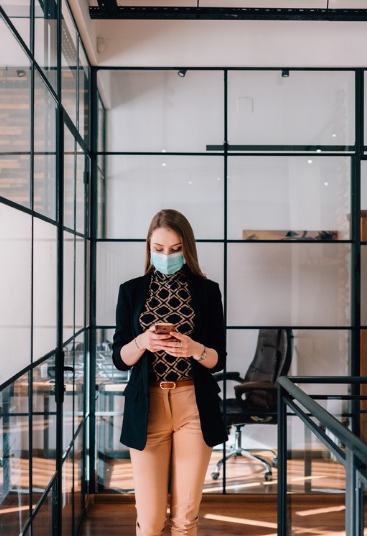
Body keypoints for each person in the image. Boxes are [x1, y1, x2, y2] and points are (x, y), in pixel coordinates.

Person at [112, 209, 226, 536]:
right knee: (149, 521)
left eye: (175, 249)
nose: (166, 256)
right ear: (148, 248)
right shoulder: (131, 291)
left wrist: (194, 349)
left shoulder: (206, 291)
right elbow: (121, 359)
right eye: (159, 249)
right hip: (147, 407)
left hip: (193, 403)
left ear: (187, 249)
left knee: (185, 517)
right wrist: (142, 341)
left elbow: (217, 358)